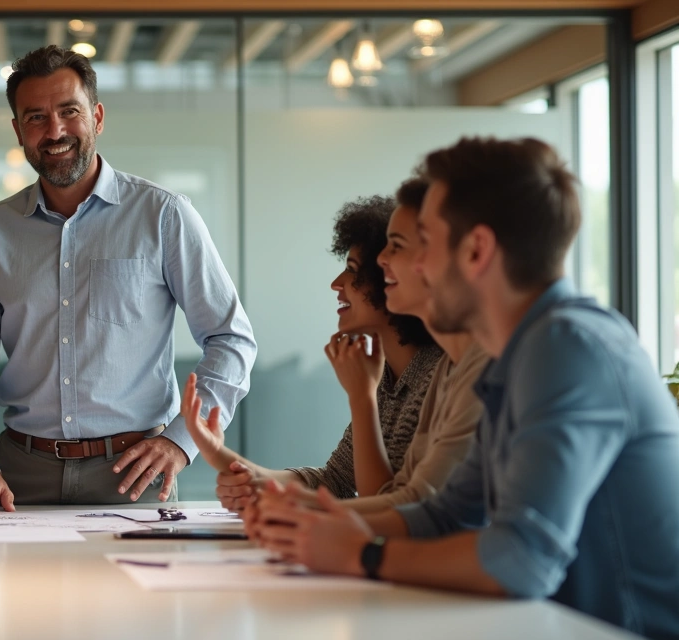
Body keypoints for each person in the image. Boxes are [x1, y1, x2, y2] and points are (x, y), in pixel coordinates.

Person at [249, 137, 679, 640]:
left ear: (476, 250)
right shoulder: (514, 354)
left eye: (421, 242)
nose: (396, 267)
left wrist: (360, 552)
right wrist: (317, 530)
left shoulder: (567, 348)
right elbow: (447, 513)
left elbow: (519, 560)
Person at [0, 45, 257, 513]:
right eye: (36, 118)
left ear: (98, 116)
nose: (55, 131)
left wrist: (182, 441)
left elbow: (231, 338)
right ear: (18, 130)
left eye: (69, 111)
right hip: (15, 477)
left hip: (134, 474)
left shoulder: (163, 215)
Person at [186, 196, 441, 510]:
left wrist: (362, 398)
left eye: (352, 269)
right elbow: (337, 481)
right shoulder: (386, 378)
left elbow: (389, 508)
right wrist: (224, 458)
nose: (337, 283)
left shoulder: (439, 375)